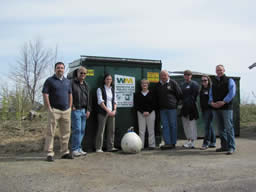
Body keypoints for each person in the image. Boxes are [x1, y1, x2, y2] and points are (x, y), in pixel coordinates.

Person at [42, 62, 73, 162]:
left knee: (66, 132)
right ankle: (49, 153)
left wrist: (70, 106)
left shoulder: (67, 82)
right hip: (54, 110)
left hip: (66, 110)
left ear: (64, 69)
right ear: (55, 69)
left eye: (62, 68)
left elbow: (70, 94)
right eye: (58, 68)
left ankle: (64, 152)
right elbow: (45, 94)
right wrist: (49, 108)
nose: (60, 69)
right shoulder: (49, 81)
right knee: (50, 132)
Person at [209, 64, 236, 155]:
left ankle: (231, 147)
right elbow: (211, 94)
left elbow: (232, 92)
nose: (219, 71)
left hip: (226, 108)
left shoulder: (229, 80)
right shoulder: (213, 82)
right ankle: (224, 146)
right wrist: (211, 102)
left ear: (224, 70)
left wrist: (224, 101)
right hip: (216, 108)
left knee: (229, 128)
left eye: (220, 70)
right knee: (221, 129)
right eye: (217, 70)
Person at [155, 70, 183, 150]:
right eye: (162, 75)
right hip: (162, 109)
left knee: (173, 126)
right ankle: (167, 143)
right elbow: (156, 97)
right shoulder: (158, 85)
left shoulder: (173, 83)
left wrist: (176, 104)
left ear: (168, 76)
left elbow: (179, 94)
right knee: (165, 126)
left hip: (172, 109)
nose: (163, 77)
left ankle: (173, 143)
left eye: (165, 75)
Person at [71, 66, 91, 157]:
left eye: (84, 73)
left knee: (82, 130)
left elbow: (88, 99)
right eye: (81, 73)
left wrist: (88, 110)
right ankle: (74, 149)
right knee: (77, 130)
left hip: (84, 111)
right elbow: (69, 95)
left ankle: (79, 148)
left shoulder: (86, 85)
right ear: (77, 73)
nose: (83, 74)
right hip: (76, 110)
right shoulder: (72, 83)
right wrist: (72, 106)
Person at [95, 74, 118, 152]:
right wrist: (108, 110)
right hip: (103, 112)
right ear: (104, 80)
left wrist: (114, 110)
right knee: (101, 130)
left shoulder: (113, 89)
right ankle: (98, 148)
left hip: (112, 112)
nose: (109, 80)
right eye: (107, 79)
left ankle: (110, 147)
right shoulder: (100, 89)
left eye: (110, 79)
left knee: (111, 130)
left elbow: (115, 101)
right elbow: (100, 102)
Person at [134, 79, 156, 149]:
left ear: (148, 85)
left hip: (151, 113)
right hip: (141, 113)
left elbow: (154, 104)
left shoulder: (152, 94)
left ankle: (152, 145)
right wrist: (142, 112)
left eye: (146, 84)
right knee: (141, 130)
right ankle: (141, 145)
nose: (144, 85)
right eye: (143, 84)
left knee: (151, 130)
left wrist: (148, 111)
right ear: (141, 85)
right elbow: (136, 105)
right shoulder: (137, 94)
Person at [180, 70, 199, 149]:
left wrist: (188, 104)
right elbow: (181, 96)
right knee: (186, 125)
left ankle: (192, 142)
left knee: (192, 125)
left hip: (192, 107)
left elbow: (194, 96)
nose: (187, 76)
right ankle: (188, 141)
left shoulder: (194, 84)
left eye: (188, 75)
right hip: (184, 107)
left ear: (191, 76)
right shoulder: (182, 84)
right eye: (185, 75)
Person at [200, 75, 216, 150]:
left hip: (210, 109)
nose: (204, 82)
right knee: (209, 126)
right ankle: (213, 142)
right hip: (204, 110)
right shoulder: (202, 89)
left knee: (207, 127)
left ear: (208, 81)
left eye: (205, 80)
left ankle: (206, 143)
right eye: (202, 81)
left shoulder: (211, 89)